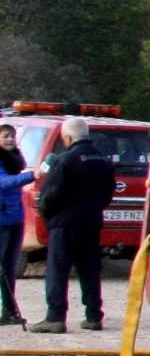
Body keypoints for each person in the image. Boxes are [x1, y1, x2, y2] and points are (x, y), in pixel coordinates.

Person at [28, 117, 115, 335]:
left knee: (58, 270)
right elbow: (109, 192)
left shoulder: (65, 160)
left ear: (67, 138)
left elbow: (51, 193)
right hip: (91, 222)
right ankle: (94, 316)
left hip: (64, 224)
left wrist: (45, 211)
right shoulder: (102, 160)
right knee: (90, 270)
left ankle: (55, 317)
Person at [0, 124, 33, 326]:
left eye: (12, 136)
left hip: (15, 218)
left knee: (10, 267)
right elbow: (3, 183)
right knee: (2, 267)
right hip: (2, 219)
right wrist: (32, 175)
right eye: (5, 136)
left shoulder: (15, 159)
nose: (10, 139)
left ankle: (10, 311)